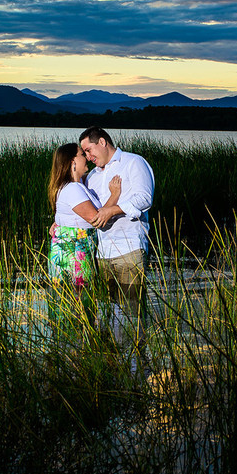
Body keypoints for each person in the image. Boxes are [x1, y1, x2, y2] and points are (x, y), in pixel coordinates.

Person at [78, 126, 155, 346]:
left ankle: (136, 367)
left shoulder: (133, 162)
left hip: (129, 248)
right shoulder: (92, 176)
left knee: (132, 311)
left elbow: (144, 198)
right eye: (84, 154)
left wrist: (113, 209)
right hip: (102, 253)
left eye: (89, 150)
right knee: (110, 311)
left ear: (102, 142)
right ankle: (117, 365)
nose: (88, 157)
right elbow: (86, 210)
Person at [46, 142, 120, 330]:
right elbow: (96, 219)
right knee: (77, 309)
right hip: (73, 259)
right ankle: (77, 351)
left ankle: (72, 350)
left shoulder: (77, 185)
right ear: (72, 161)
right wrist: (114, 195)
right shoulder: (72, 189)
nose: (86, 157)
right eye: (81, 154)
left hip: (73, 255)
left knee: (74, 308)